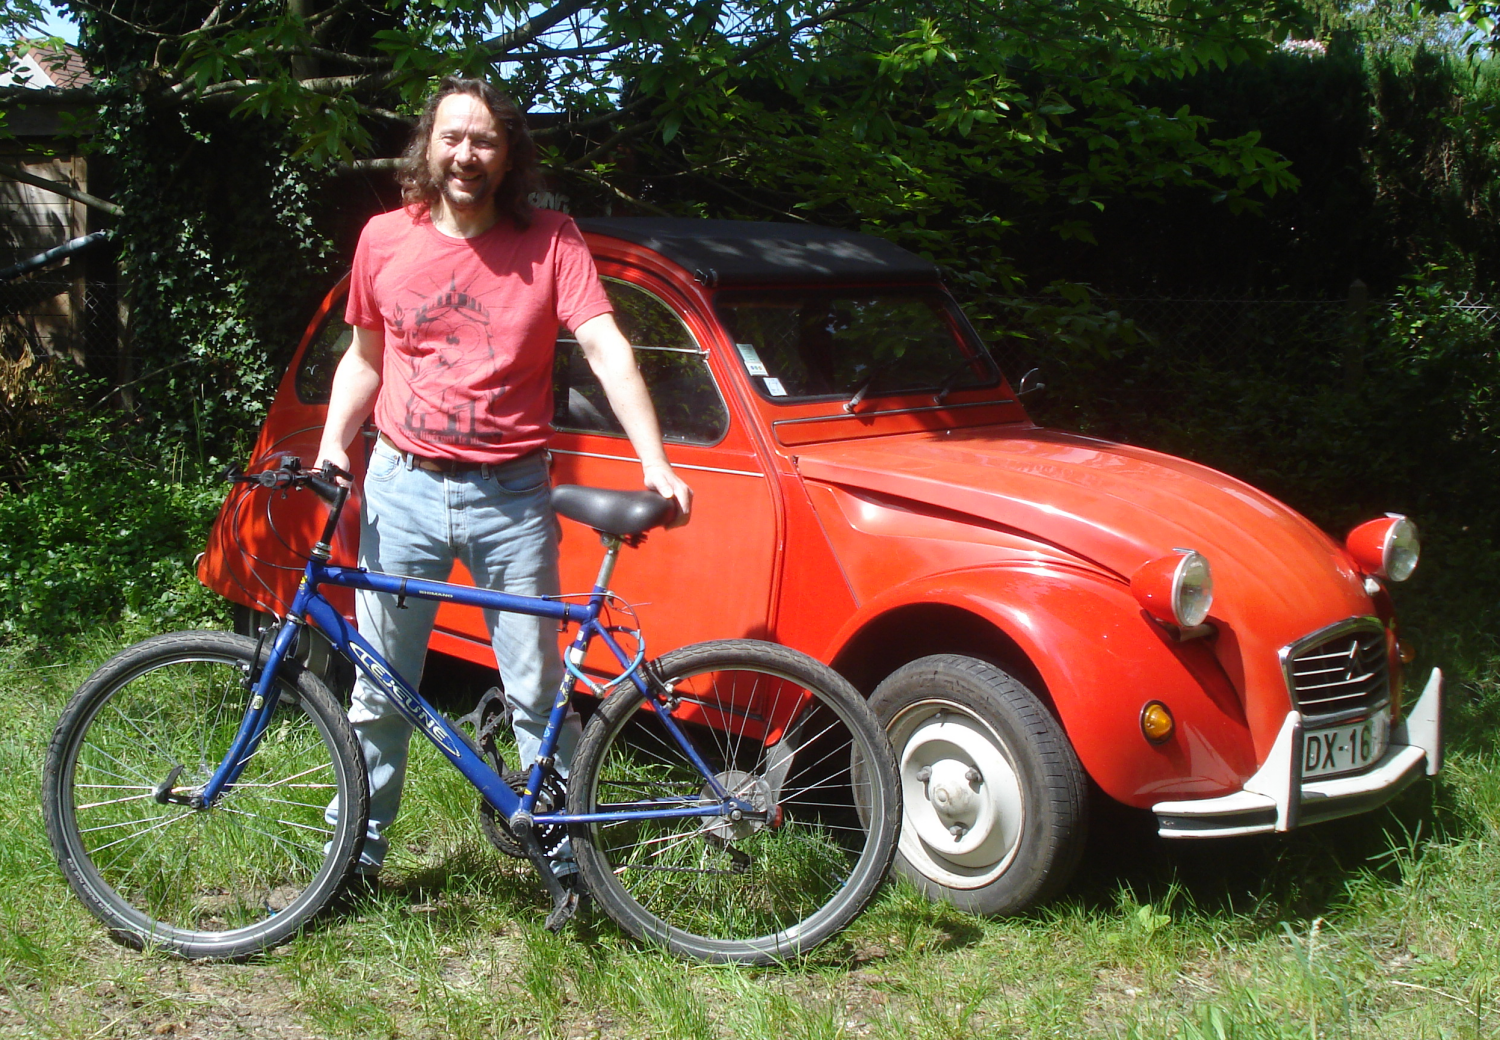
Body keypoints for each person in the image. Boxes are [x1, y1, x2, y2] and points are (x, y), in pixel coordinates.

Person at [316, 75, 693, 881]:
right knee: (379, 691)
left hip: (512, 496)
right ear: (428, 145)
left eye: (484, 139)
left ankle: (562, 859)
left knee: (536, 691)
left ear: (507, 153)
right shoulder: (383, 238)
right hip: (402, 487)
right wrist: (329, 449)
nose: (466, 154)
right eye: (452, 137)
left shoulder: (552, 238)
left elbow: (605, 346)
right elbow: (363, 361)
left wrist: (657, 461)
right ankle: (351, 864)